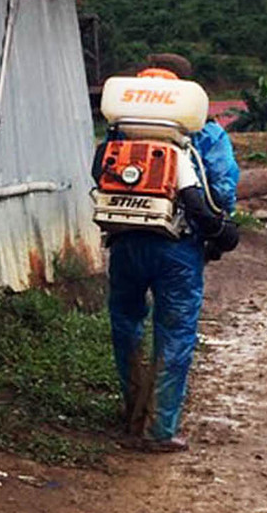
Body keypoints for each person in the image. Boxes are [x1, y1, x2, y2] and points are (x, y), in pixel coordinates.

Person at [103, 58, 240, 452]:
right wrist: (219, 230)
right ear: (182, 86)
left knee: (125, 325)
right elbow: (223, 191)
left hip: (126, 239)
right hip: (178, 248)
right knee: (175, 333)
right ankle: (159, 429)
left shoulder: (121, 128)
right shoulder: (204, 132)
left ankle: (131, 412)